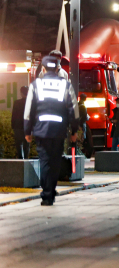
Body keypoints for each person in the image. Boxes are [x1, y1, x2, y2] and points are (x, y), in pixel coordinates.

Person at [24, 56, 79, 206]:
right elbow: (73, 110)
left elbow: (29, 109)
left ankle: (46, 193)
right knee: (55, 162)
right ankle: (50, 191)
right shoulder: (66, 85)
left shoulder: (35, 85)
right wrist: (74, 130)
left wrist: (27, 130)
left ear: (42, 68)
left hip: (41, 130)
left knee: (45, 161)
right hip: (59, 130)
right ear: (57, 69)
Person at [11, 86, 30, 159]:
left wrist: (13, 126)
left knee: (18, 144)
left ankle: (20, 158)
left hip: (18, 126)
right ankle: (26, 159)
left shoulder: (16, 102)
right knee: (26, 145)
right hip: (27, 127)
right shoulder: (30, 103)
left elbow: (14, 115)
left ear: (21, 93)